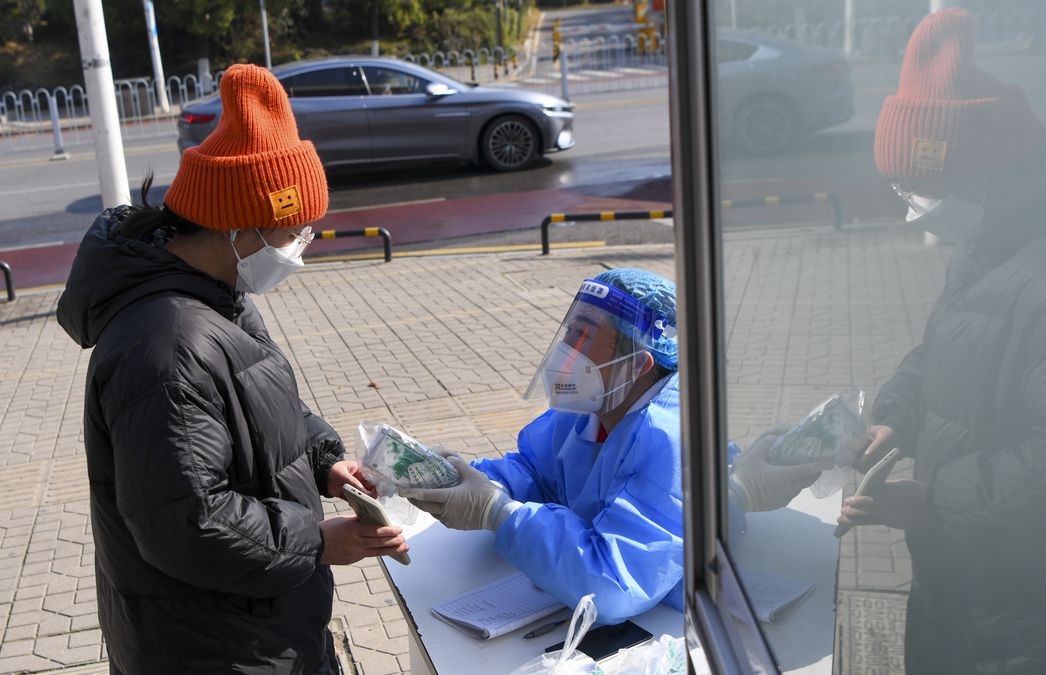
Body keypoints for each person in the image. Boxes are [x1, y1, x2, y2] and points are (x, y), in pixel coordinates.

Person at [837, 9, 1046, 674]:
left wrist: (931, 500)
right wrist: (896, 417)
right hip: (976, 604)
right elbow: (952, 347)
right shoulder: (996, 243)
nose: (908, 205)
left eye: (916, 183)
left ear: (978, 170)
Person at [56, 64, 409, 674]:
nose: (303, 244)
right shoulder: (165, 345)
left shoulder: (215, 293)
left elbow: (258, 406)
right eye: (295, 230)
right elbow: (188, 521)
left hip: (256, 624)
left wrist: (325, 462)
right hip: (213, 647)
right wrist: (318, 540)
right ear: (237, 227)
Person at [400, 269, 683, 625]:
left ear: (637, 365)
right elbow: (538, 471)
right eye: (568, 331)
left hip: (663, 625)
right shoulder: (598, 404)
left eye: (583, 335)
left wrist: (497, 512)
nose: (567, 350)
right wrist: (465, 478)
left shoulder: (670, 440)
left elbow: (614, 586)